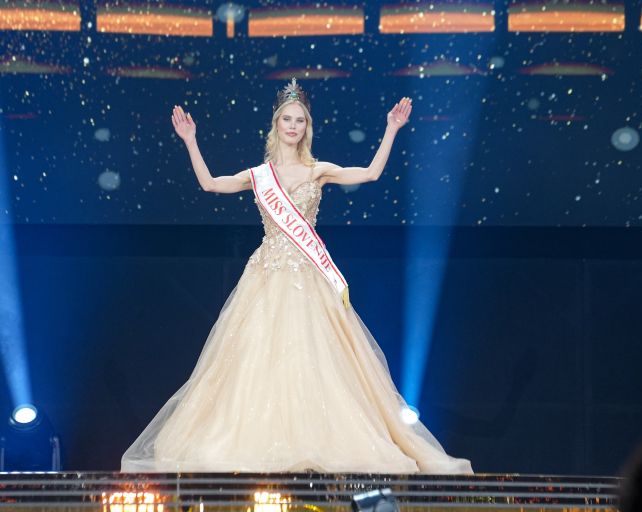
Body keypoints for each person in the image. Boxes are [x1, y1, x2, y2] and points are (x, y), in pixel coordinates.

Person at [121, 80, 472, 474]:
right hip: (266, 279)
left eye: (300, 121)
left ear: (307, 127)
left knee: (315, 361)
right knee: (255, 362)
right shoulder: (259, 174)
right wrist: (190, 140)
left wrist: (391, 129)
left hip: (308, 278)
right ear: (276, 124)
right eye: (287, 119)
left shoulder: (317, 170)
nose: (293, 126)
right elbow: (209, 184)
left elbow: (371, 173)